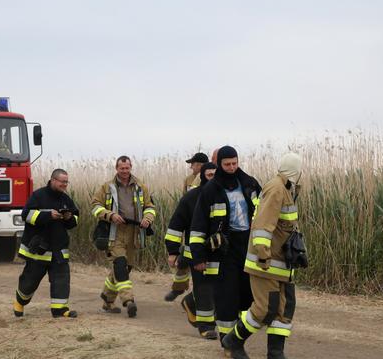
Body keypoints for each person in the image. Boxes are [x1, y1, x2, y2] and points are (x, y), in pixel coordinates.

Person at [222, 153, 303, 359]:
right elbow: (262, 225)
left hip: (282, 264)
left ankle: (275, 355)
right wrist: (263, 254)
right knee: (264, 308)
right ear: (296, 171)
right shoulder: (277, 189)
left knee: (284, 309)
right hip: (266, 262)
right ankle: (233, 340)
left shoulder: (287, 189)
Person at [190, 146, 261, 345]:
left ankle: (240, 335)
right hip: (223, 250)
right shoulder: (211, 190)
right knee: (226, 295)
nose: (231, 167)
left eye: (234, 163)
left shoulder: (250, 183)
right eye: (227, 164)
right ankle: (226, 339)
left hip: (247, 245)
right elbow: (198, 225)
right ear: (220, 164)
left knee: (247, 294)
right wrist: (198, 256)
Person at [91, 156, 156, 318]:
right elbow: (95, 206)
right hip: (115, 232)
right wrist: (110, 215)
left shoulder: (141, 187)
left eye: (127, 168)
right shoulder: (107, 187)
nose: (125, 171)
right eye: (122, 168)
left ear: (131, 167)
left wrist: (148, 219)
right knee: (120, 265)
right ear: (116, 168)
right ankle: (129, 301)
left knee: (125, 268)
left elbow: (150, 206)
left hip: (134, 233)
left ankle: (107, 299)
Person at [13, 169, 80, 318]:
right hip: (38, 250)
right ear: (53, 180)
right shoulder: (38, 196)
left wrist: (68, 217)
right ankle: (20, 301)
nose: (64, 185)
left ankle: (60, 310)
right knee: (29, 281)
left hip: (59, 250)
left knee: (62, 280)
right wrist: (48, 215)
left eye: (66, 182)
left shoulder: (66, 199)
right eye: (62, 182)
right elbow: (26, 215)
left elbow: (75, 220)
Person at [164, 162, 218, 339]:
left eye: (216, 174)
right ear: (203, 176)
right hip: (195, 254)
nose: (213, 178)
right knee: (204, 288)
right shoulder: (191, 197)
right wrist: (172, 251)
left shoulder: (225, 195)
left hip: (220, 253)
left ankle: (189, 301)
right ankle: (205, 326)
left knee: (220, 288)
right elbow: (175, 225)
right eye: (209, 175)